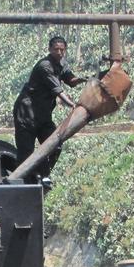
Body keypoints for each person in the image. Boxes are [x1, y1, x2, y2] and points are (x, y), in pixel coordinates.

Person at [12, 35, 87, 175]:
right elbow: (58, 90)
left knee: (55, 146)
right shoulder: (44, 66)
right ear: (49, 49)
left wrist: (86, 79)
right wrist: (73, 105)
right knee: (25, 152)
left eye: (62, 50)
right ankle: (24, 182)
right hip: (26, 113)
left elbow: (71, 80)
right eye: (56, 49)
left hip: (43, 115)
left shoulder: (62, 64)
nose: (59, 52)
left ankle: (43, 174)